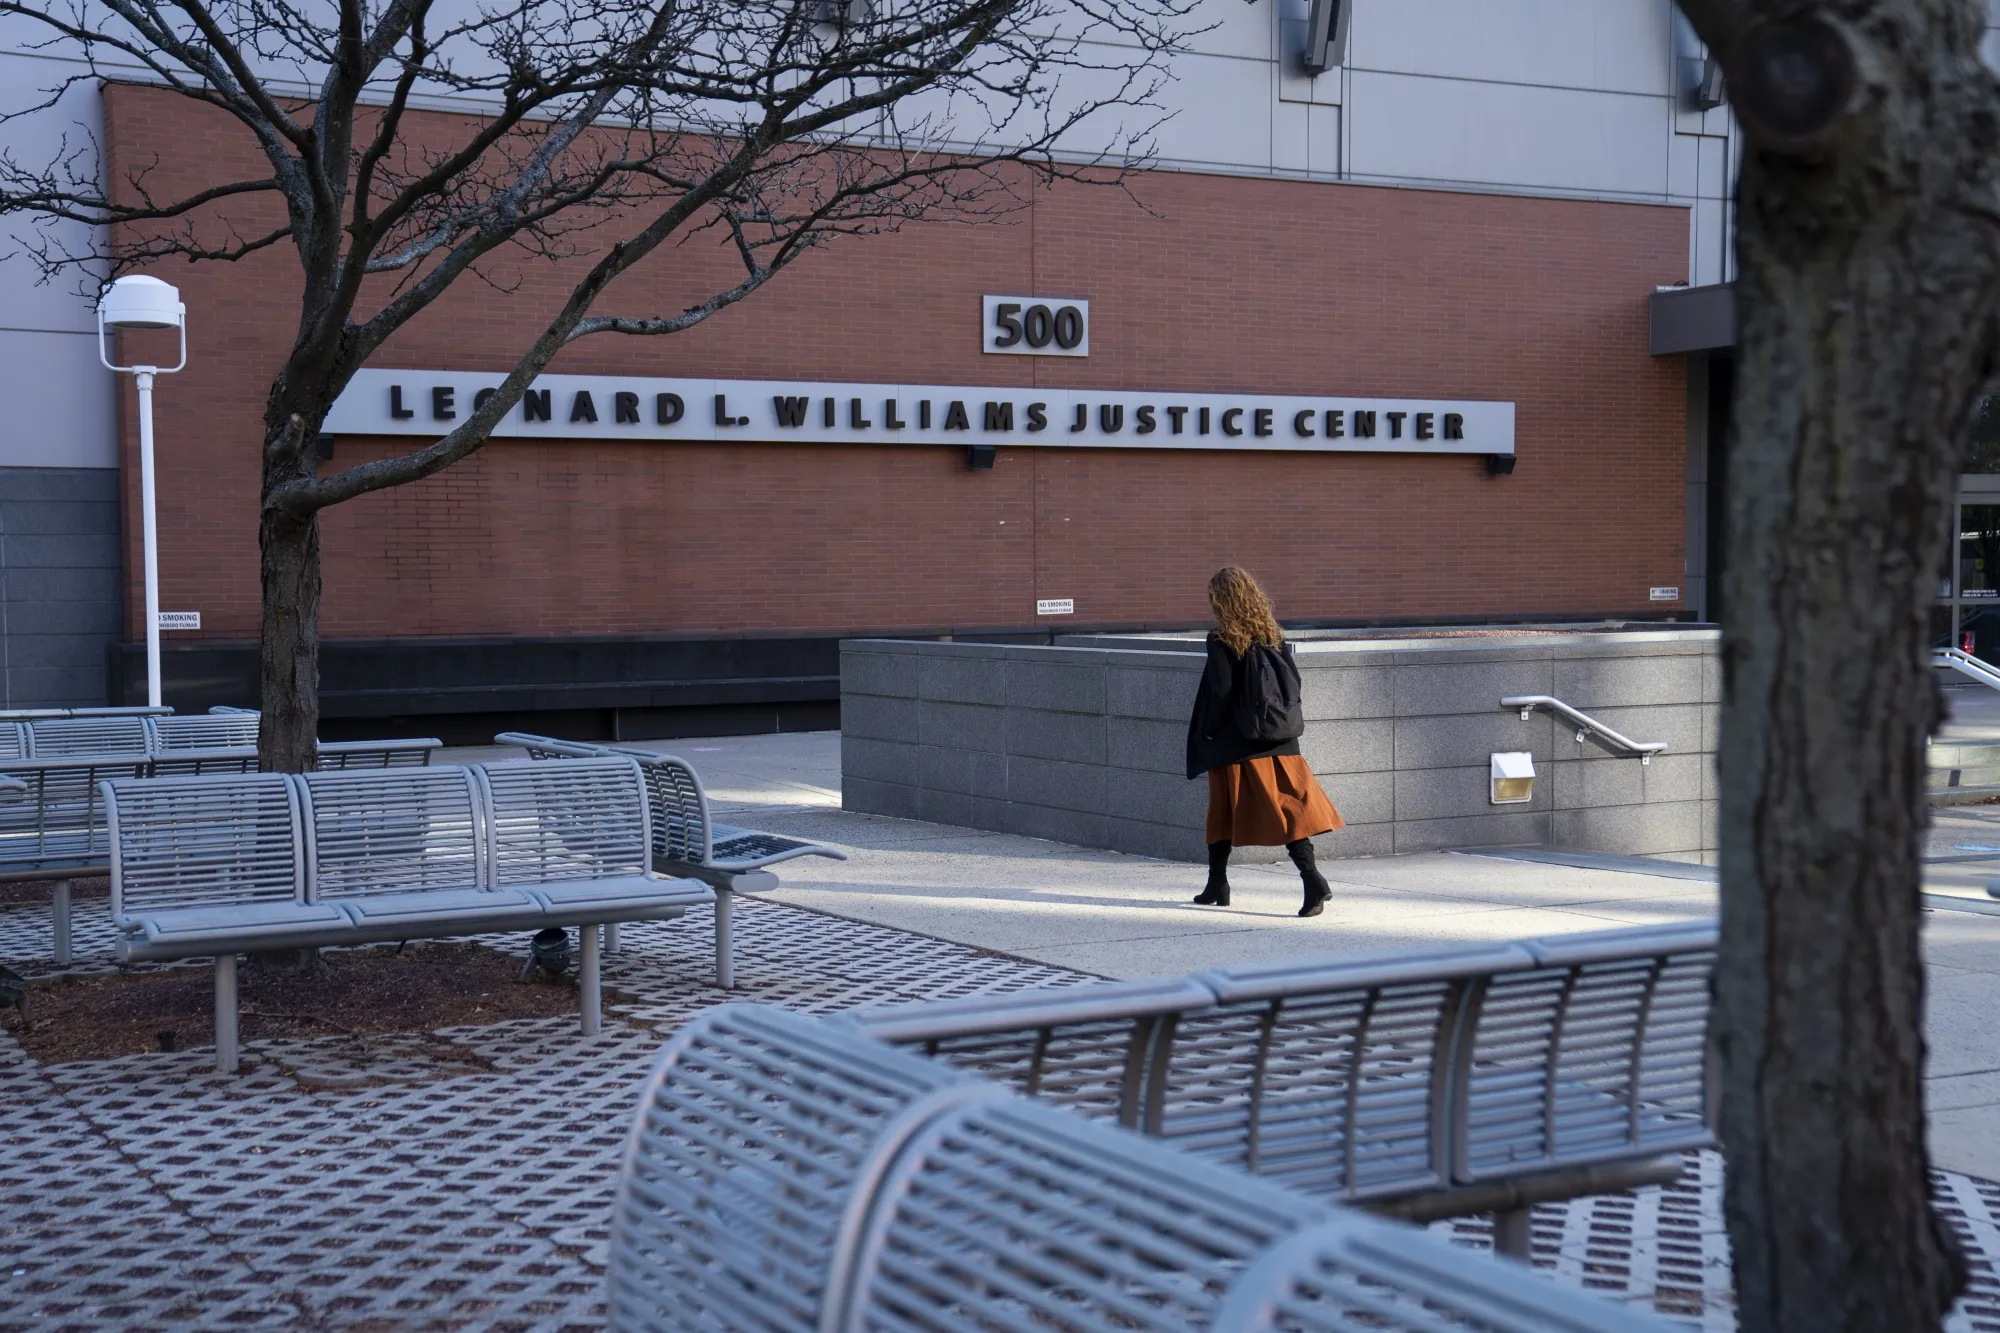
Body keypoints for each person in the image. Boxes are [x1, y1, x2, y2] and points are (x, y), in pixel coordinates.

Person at [1185, 566, 1341, 916]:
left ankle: (1313, 879)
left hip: (1237, 743)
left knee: (1224, 811)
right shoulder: (1273, 635)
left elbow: (1221, 691)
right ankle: (1217, 884)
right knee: (1287, 811)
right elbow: (1293, 683)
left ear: (1221, 601)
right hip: (1278, 738)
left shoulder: (1222, 638)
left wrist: (1208, 730)